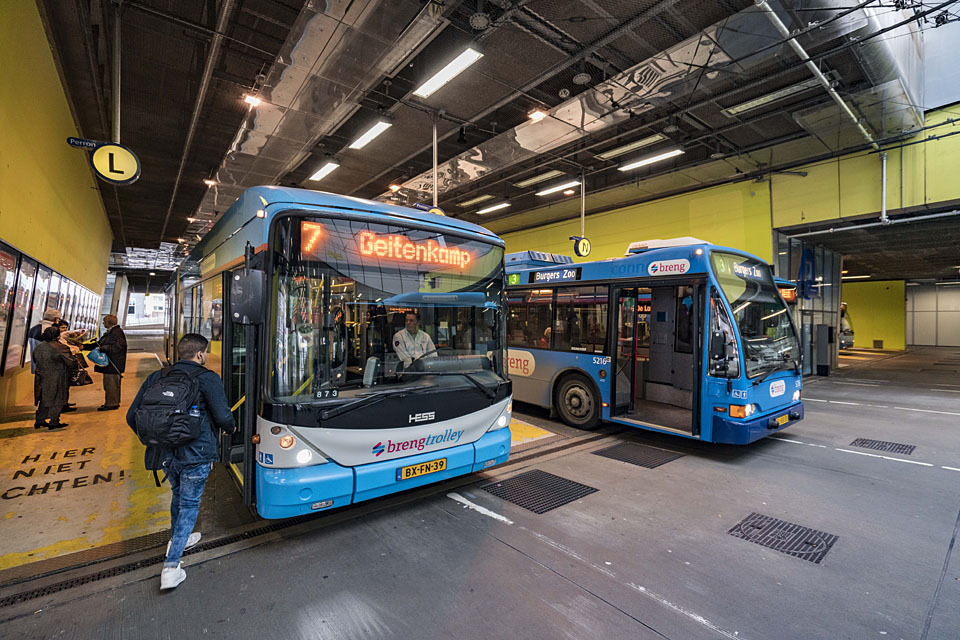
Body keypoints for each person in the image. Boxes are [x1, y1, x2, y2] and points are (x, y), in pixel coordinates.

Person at [126, 333, 235, 590]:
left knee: (178, 495)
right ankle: (171, 567)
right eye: (205, 353)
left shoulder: (158, 377)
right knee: (189, 504)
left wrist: (155, 438)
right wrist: (231, 428)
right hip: (195, 454)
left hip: (164, 454)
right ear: (200, 354)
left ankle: (179, 539)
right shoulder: (207, 378)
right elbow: (222, 416)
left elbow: (132, 416)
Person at [33, 326, 78, 430]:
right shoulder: (60, 347)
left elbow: (35, 360)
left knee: (44, 399)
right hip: (57, 376)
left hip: (41, 376)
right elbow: (70, 362)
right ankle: (54, 422)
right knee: (57, 399)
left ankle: (39, 420)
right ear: (58, 336)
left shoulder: (39, 347)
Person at [93, 314, 127, 411]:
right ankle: (112, 402)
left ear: (108, 323)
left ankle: (112, 404)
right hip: (112, 363)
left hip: (113, 363)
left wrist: (103, 348)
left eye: (104, 321)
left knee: (111, 384)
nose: (103, 323)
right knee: (110, 384)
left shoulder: (116, 333)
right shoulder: (113, 332)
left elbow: (119, 347)